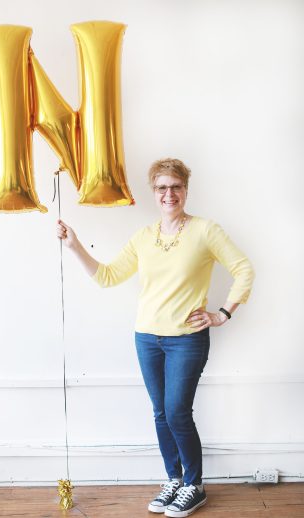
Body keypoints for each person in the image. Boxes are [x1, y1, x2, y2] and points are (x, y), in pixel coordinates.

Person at [57, 158, 253, 518]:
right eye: (162, 187)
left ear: (185, 189)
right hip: (147, 337)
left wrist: (222, 313)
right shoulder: (144, 238)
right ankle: (174, 480)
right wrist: (74, 245)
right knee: (162, 413)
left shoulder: (206, 231)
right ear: (154, 192)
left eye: (176, 186)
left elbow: (243, 269)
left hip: (186, 339)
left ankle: (194, 484)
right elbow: (108, 276)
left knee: (178, 411)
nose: (169, 193)